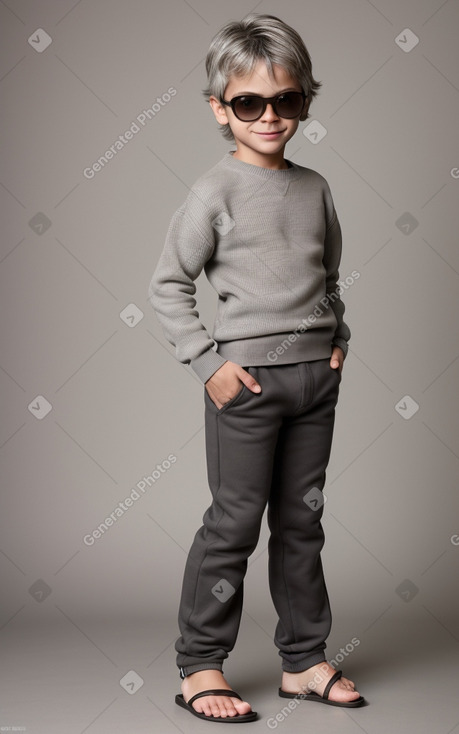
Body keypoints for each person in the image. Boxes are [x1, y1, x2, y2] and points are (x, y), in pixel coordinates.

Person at [148, 12, 365, 723]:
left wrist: (339, 341)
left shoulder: (315, 187)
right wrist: (206, 361)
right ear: (220, 107)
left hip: (314, 382)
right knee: (234, 523)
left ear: (305, 99)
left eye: (287, 100)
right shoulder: (213, 192)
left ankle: (302, 661)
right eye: (249, 103)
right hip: (245, 386)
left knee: (302, 523)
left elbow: (328, 278)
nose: (269, 117)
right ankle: (199, 665)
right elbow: (167, 286)